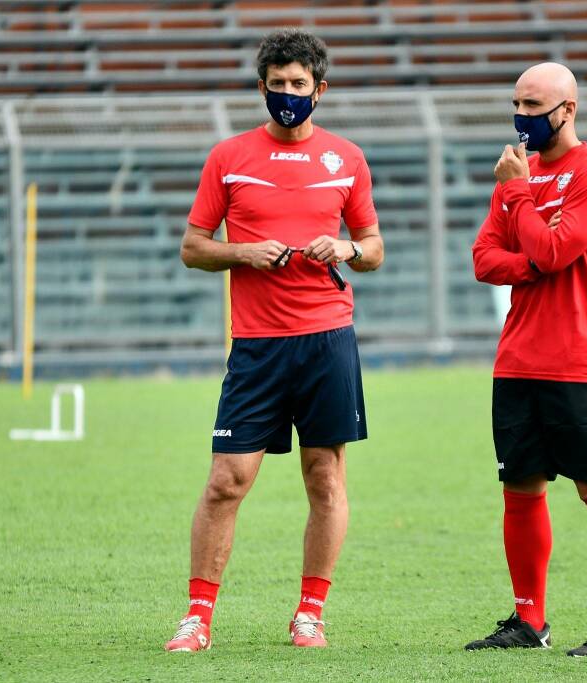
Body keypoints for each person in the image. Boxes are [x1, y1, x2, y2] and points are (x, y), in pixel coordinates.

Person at [163, 29, 383, 652]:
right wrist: (243, 252)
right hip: (257, 346)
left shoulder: (347, 159)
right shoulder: (228, 157)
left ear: (320, 90)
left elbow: (372, 248)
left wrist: (344, 246)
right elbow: (192, 248)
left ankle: (310, 612)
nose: (288, 94)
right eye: (277, 84)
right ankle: (197, 617)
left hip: (327, 341)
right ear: (261, 87)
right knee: (226, 481)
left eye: (299, 85)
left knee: (325, 478)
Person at [465, 62, 587, 657]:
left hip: (576, 358)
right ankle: (529, 622)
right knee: (520, 488)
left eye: (533, 106)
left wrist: (520, 200)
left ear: (567, 109)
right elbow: (486, 260)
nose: (521, 118)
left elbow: (559, 249)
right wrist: (532, 256)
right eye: (516, 104)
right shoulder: (519, 174)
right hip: (517, 357)